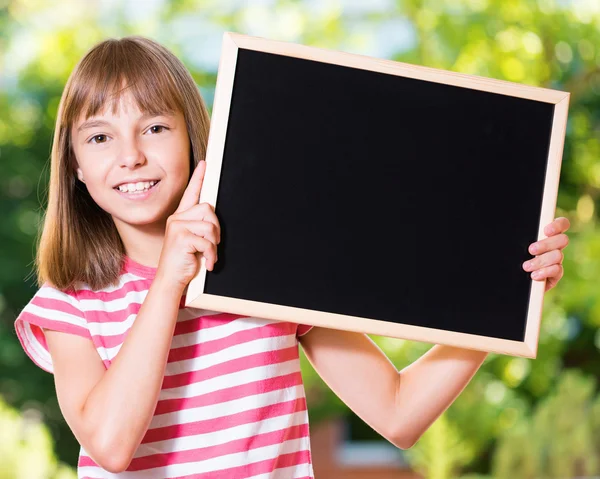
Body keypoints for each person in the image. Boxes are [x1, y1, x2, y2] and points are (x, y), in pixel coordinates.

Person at [13, 35, 570, 478]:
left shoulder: (269, 268)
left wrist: (509, 297)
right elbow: (110, 445)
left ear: (193, 140)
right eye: (100, 137)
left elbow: (399, 413)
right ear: (76, 169)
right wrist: (167, 284)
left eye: (155, 127)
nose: (131, 156)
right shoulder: (69, 302)